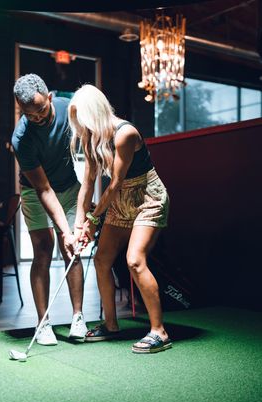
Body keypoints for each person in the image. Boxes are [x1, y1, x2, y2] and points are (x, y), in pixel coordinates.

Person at [68, 84, 172, 354]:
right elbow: (88, 183)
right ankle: (111, 325)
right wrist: (80, 224)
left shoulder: (125, 134)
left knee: (134, 260)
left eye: (84, 121)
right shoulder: (93, 137)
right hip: (119, 201)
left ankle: (159, 331)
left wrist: (93, 218)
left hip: (147, 197)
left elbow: (113, 184)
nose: (82, 128)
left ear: (95, 113)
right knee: (101, 259)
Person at [11, 74, 87, 345]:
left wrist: (71, 232)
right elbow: (43, 189)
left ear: (50, 97)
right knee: (43, 249)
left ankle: (78, 317)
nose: (38, 119)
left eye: (41, 110)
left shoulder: (71, 109)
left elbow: (90, 150)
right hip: (35, 191)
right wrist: (63, 230)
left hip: (68, 186)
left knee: (73, 249)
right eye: (29, 114)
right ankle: (43, 323)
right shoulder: (22, 138)